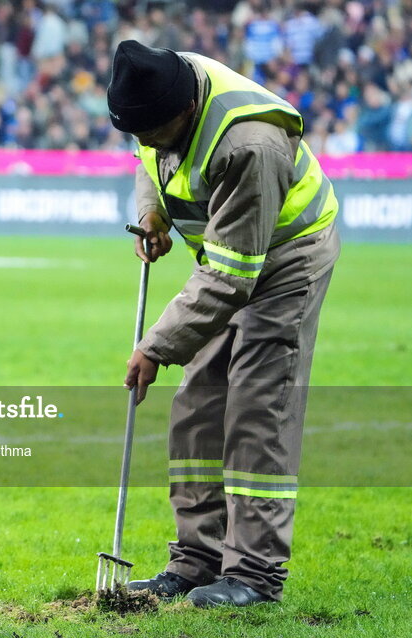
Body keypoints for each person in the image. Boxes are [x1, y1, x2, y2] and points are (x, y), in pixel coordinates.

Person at [106, 42, 339, 607]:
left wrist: (156, 346)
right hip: (227, 256)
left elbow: (234, 277)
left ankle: (255, 575)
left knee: (257, 410)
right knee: (197, 407)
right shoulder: (156, 88)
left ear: (184, 113)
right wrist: (152, 214)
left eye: (155, 133)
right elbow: (149, 161)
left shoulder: (249, 143)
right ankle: (198, 561)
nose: (146, 144)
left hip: (285, 259)